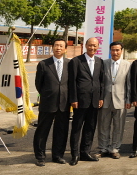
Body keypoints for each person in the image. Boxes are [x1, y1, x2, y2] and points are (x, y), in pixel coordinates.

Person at [33, 38, 70, 166]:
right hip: (48, 103)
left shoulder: (70, 64)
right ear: (52, 47)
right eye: (56, 45)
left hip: (64, 103)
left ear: (65, 49)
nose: (58, 48)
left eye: (61, 46)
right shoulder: (44, 64)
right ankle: (40, 156)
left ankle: (58, 155)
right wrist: (48, 94)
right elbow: (39, 84)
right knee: (42, 130)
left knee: (61, 131)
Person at [68, 37, 105, 166]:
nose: (92, 48)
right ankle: (74, 154)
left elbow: (101, 82)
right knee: (76, 128)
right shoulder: (76, 61)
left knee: (90, 128)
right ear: (85, 45)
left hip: (94, 101)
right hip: (80, 101)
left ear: (98, 47)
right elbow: (71, 82)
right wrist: (73, 99)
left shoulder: (99, 62)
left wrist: (101, 97)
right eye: (90, 45)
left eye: (95, 46)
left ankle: (85, 152)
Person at [97, 41, 131, 159]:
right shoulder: (103, 63)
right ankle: (103, 148)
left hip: (120, 100)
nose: (115, 52)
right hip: (105, 100)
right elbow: (100, 82)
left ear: (121, 51)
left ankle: (115, 148)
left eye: (117, 50)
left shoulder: (128, 65)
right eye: (113, 50)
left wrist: (128, 100)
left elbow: (129, 84)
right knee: (103, 126)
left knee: (118, 126)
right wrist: (100, 98)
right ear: (110, 51)